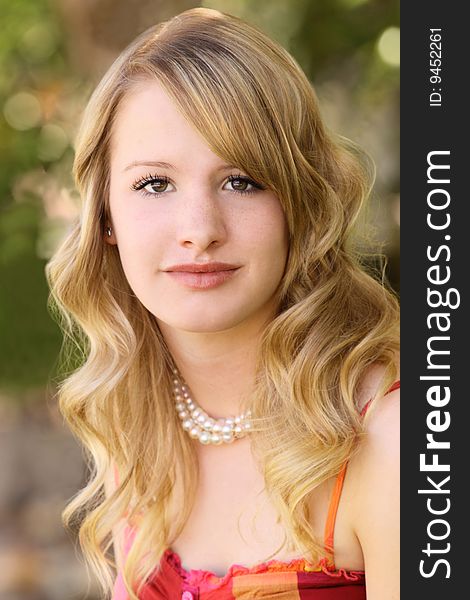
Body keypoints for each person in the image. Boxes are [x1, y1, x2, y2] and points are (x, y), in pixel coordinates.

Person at [46, 7, 400, 600]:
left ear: (299, 203)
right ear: (105, 215)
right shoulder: (138, 420)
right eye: (154, 183)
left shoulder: (393, 444)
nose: (199, 230)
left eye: (243, 181)